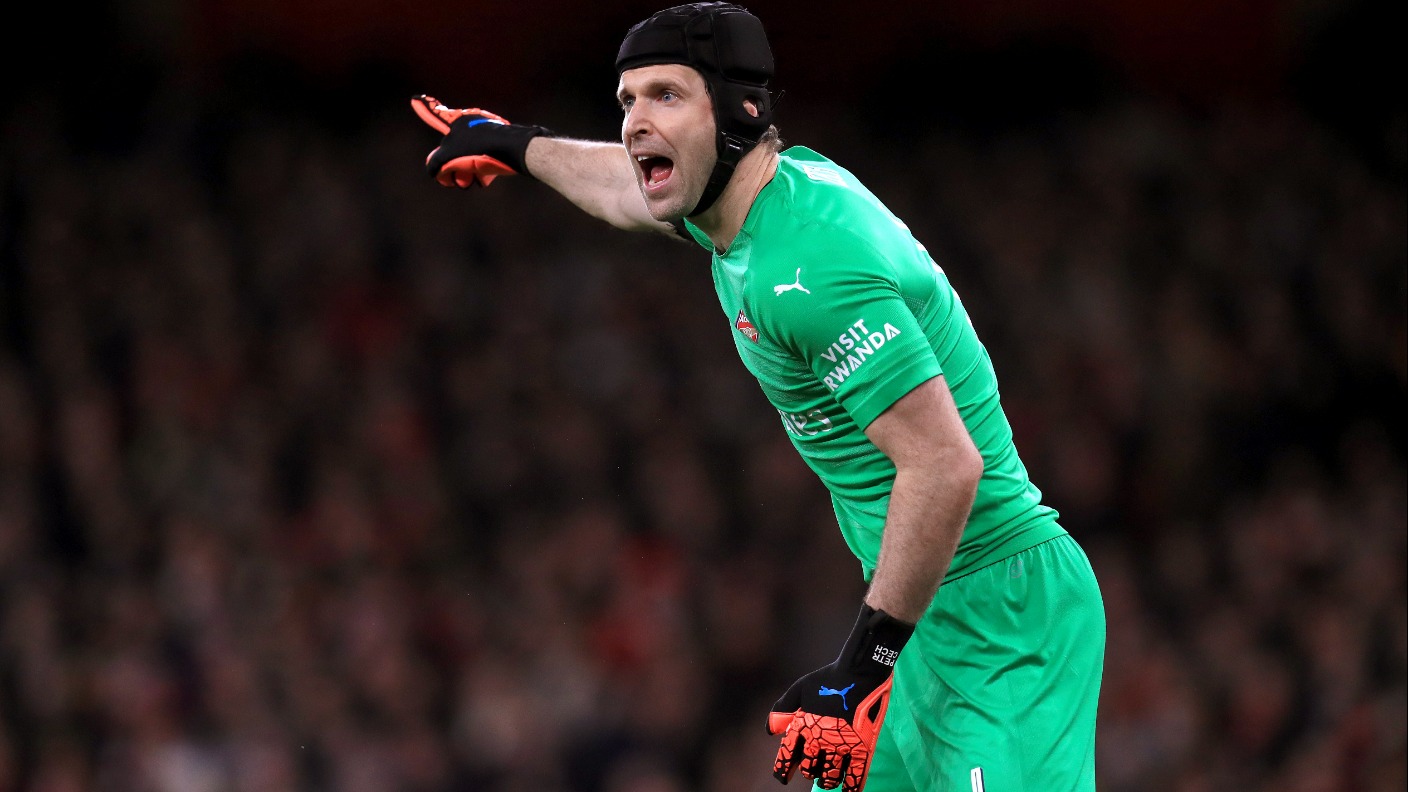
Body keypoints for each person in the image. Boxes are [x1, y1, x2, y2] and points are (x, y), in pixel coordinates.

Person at [411, 3, 1106, 790]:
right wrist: (516, 143)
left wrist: (860, 669)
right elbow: (627, 191)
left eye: (666, 95)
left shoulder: (808, 266)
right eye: (628, 100)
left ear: (739, 111)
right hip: (923, 612)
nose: (635, 122)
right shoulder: (750, 207)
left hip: (1003, 617)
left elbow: (946, 466)